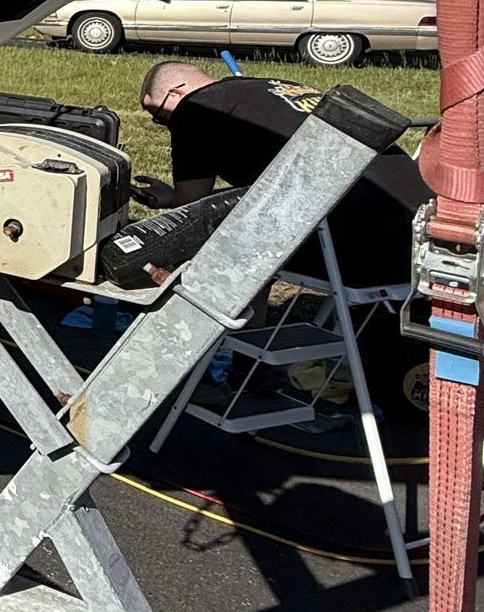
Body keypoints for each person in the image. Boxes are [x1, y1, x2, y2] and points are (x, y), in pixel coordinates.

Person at [138, 58, 428, 409]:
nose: (163, 124)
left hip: (365, 249)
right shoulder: (265, 89)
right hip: (422, 232)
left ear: (175, 93)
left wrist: (171, 205)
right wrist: (170, 196)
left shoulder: (196, 108)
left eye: (158, 115)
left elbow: (191, 203)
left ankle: (218, 366)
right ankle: (251, 367)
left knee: (225, 246)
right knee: (252, 230)